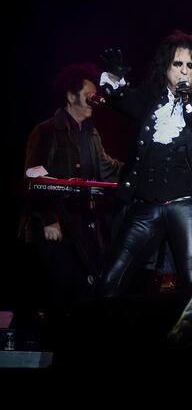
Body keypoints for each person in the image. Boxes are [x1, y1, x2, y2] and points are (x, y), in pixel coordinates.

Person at [94, 30, 192, 297]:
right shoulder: (150, 98)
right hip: (145, 207)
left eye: (190, 65)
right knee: (110, 281)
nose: (183, 71)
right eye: (177, 64)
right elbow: (122, 100)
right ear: (165, 67)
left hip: (187, 207)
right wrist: (115, 78)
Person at [17, 63, 123, 344]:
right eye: (89, 94)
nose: (94, 100)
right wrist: (49, 217)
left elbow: (106, 168)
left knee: (83, 299)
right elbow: (32, 177)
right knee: (57, 298)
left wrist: (142, 166)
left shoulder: (90, 132)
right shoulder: (46, 130)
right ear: (70, 95)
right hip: (56, 229)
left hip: (83, 229)